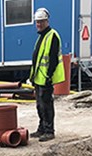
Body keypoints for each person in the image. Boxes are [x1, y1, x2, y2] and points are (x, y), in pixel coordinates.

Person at [28, 7, 64, 143]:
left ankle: (49, 130)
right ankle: (42, 128)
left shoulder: (52, 35)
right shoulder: (41, 37)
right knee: (40, 105)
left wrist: (49, 76)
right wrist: (32, 76)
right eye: (37, 22)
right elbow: (37, 60)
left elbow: (53, 59)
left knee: (46, 105)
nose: (39, 24)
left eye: (41, 22)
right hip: (38, 78)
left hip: (46, 78)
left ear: (47, 21)